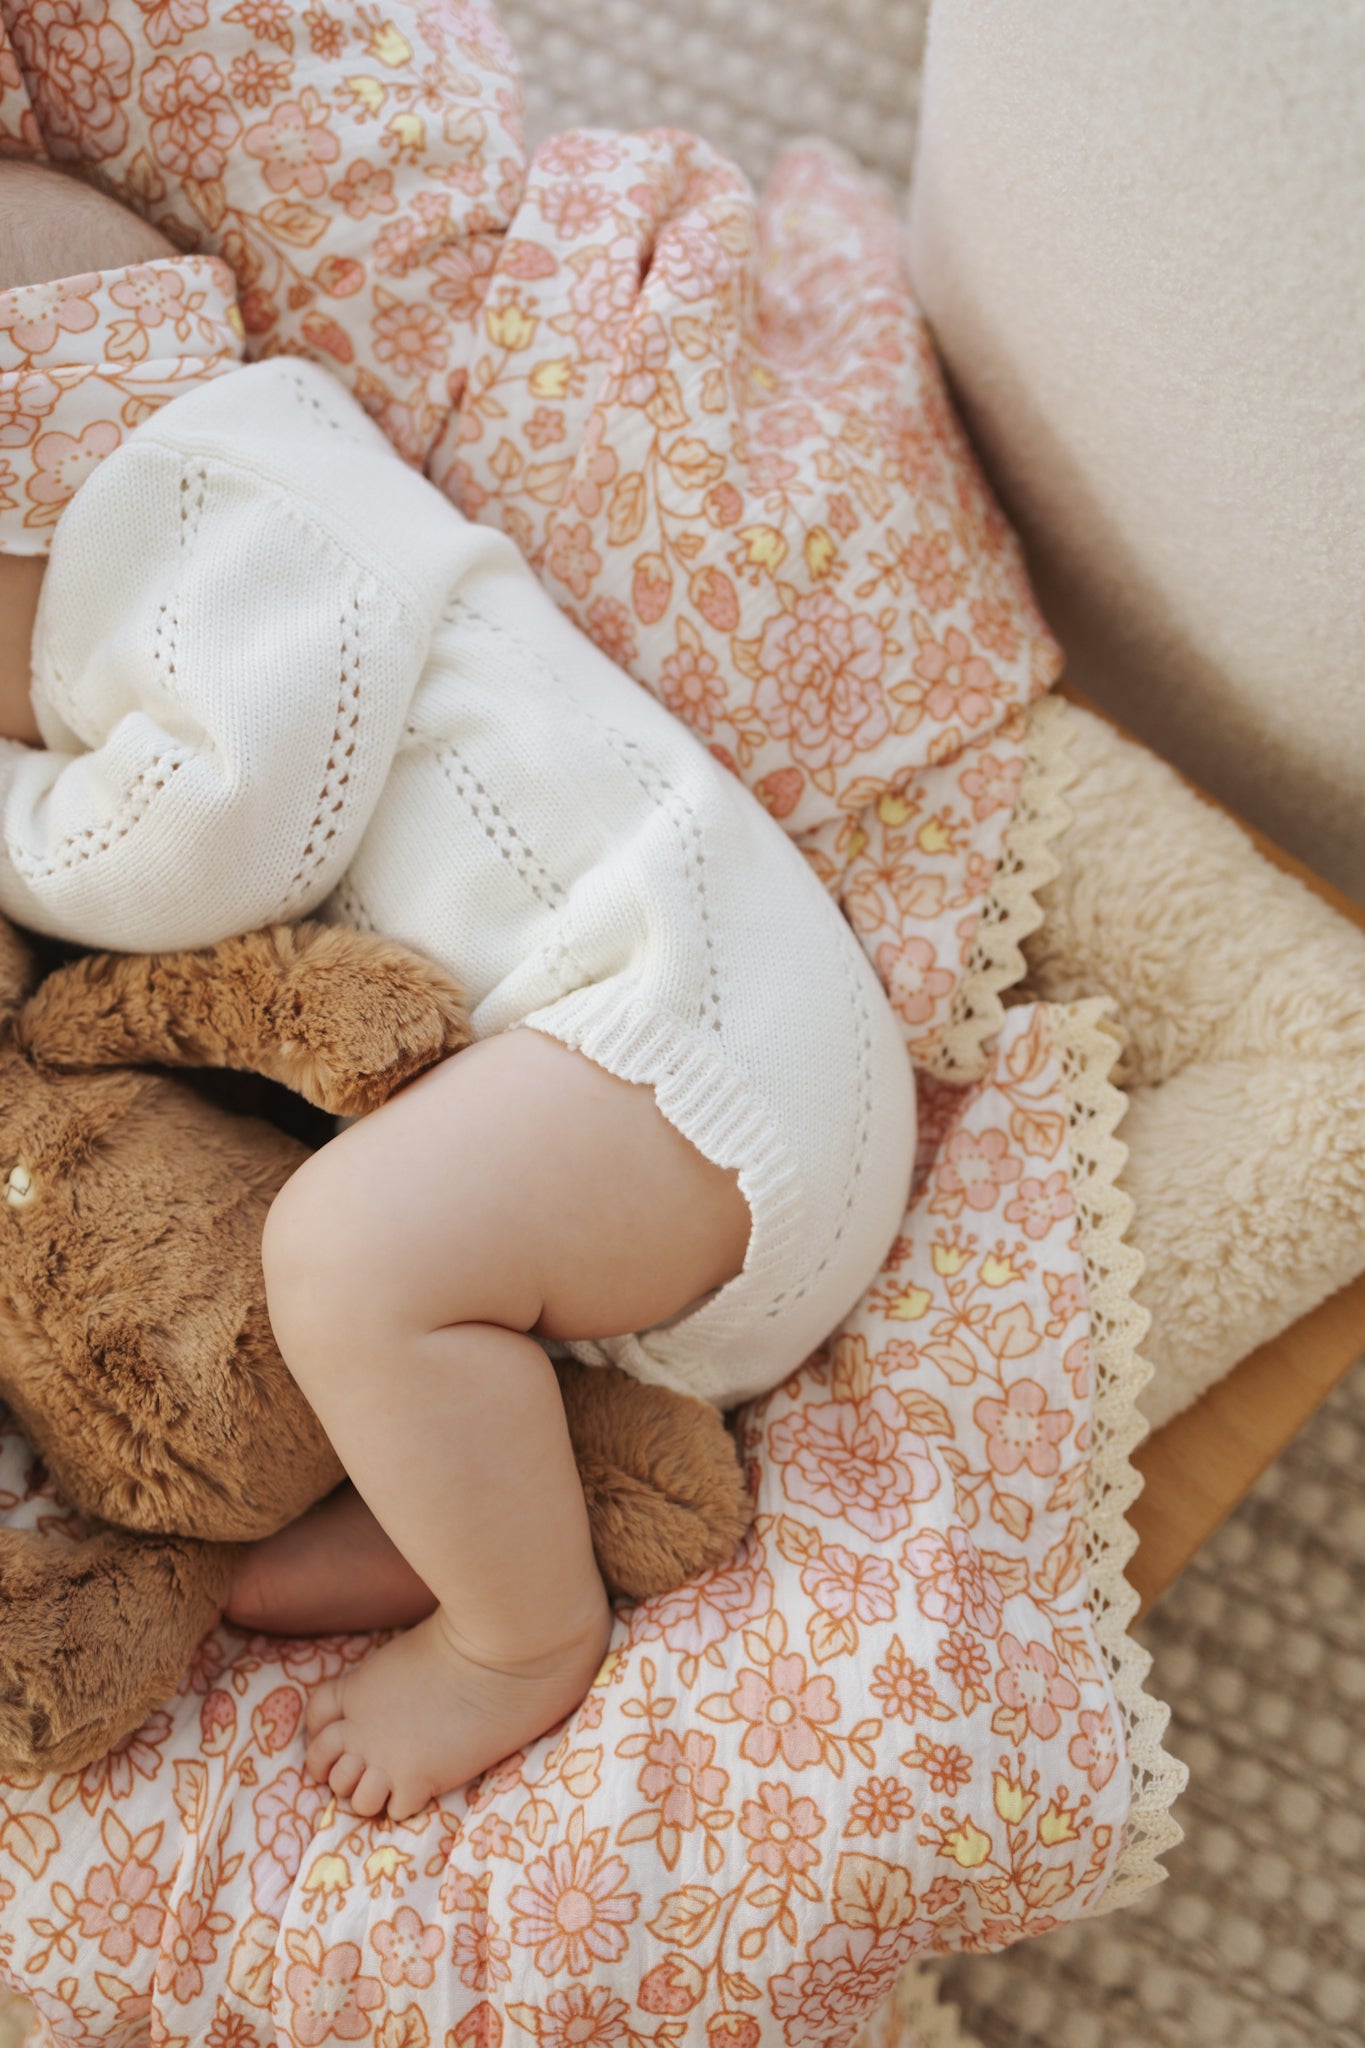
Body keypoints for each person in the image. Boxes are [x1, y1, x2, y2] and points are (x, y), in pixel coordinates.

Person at [0, 163, 916, 1820]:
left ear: (33, 486)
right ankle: (487, 1481)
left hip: (693, 1043)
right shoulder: (209, 530)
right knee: (380, 1272)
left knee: (345, 1253)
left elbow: (207, 847)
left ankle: (520, 1628)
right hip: (658, 1118)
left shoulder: (225, 520)